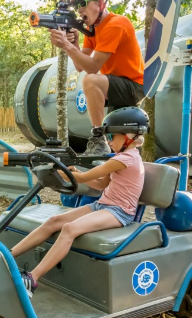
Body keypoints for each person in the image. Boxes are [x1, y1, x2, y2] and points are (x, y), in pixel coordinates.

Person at [12, 107, 148, 294]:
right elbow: (100, 185)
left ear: (129, 137)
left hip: (119, 212)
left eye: (112, 136)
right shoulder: (121, 158)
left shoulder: (127, 159)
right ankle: (7, 257)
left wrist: (67, 174)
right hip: (103, 205)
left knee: (69, 229)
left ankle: (32, 279)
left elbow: (85, 179)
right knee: (54, 221)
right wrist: (75, 173)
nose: (108, 141)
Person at [49, 0, 145, 156]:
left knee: (91, 80)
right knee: (121, 147)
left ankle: (98, 138)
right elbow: (80, 66)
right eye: (78, 6)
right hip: (115, 87)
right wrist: (75, 45)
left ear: (101, 2)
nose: (80, 10)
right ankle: (106, 148)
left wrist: (66, 45)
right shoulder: (93, 29)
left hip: (133, 86)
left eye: (83, 4)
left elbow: (92, 68)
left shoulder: (116, 24)